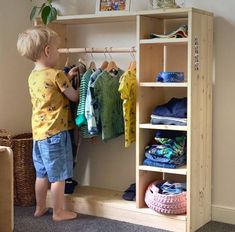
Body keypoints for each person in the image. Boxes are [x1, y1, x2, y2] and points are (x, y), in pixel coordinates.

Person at [17, 26, 79, 221]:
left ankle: (40, 207)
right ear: (47, 50)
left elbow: (49, 91)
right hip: (56, 133)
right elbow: (74, 97)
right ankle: (59, 212)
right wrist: (72, 83)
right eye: (58, 49)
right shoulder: (56, 74)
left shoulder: (32, 76)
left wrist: (66, 79)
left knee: (41, 174)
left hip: (39, 135)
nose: (59, 53)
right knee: (59, 176)